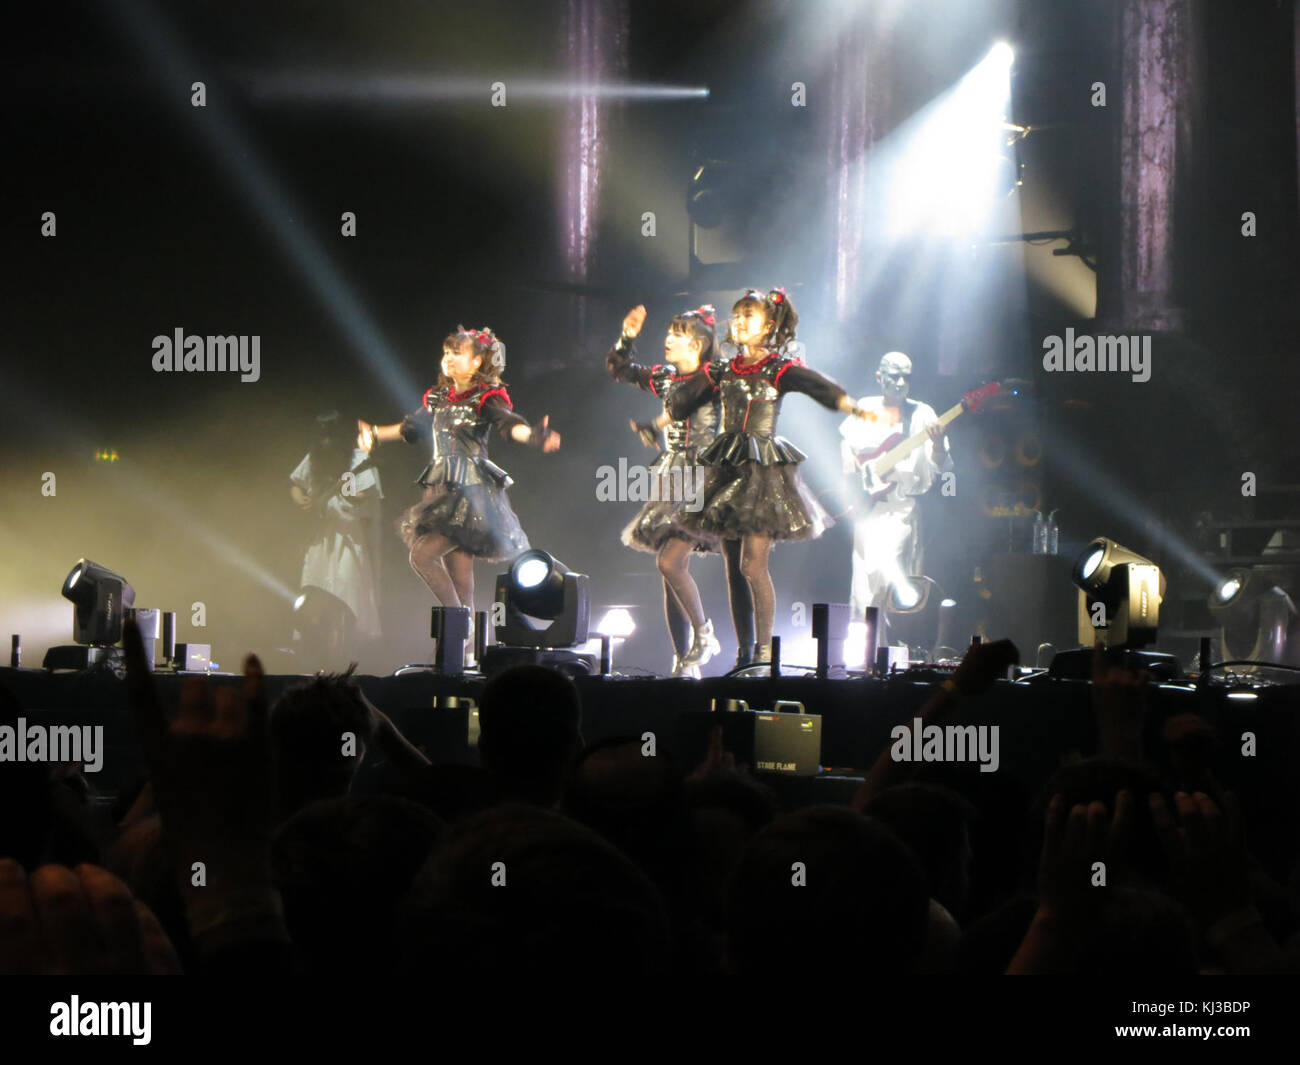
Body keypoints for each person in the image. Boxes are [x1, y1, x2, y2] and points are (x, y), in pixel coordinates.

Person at [668, 288, 875, 664]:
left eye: (750, 315)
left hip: (762, 470)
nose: (741, 321)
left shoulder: (778, 368)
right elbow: (686, 398)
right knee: (734, 567)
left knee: (752, 565)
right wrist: (670, 405)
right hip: (726, 466)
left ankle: (764, 653)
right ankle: (745, 654)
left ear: (769, 326)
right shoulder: (724, 369)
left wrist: (854, 407)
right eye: (738, 314)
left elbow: (817, 386)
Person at [357, 327, 559, 656]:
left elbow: (509, 424)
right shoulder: (438, 399)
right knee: (462, 578)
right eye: (446, 353)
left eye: (457, 353)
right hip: (442, 491)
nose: (448, 359)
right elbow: (410, 427)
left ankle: (458, 625)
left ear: (477, 361)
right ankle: (465, 652)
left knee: (422, 555)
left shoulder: (486, 398)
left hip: (473, 492)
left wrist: (533, 435)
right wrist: (375, 434)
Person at [605, 303, 729, 677]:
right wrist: (626, 336)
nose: (667, 339)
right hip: (672, 471)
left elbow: (683, 402)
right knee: (668, 571)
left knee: (670, 562)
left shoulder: (713, 377)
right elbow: (620, 369)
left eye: (676, 334)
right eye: (668, 332)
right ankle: (684, 658)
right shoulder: (665, 376)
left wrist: (653, 424)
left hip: (704, 474)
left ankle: (706, 635)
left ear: (698, 343)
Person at [839, 351, 951, 623]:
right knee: (863, 579)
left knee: (890, 572)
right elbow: (846, 443)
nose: (900, 383)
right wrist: (850, 465)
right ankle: (867, 641)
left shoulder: (922, 413)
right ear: (879, 377)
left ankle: (890, 638)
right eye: (894, 376)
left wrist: (937, 444)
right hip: (868, 508)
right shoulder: (865, 407)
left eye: (906, 377)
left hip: (901, 510)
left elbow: (943, 465)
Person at [289, 410, 383, 652]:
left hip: (347, 536)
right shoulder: (314, 457)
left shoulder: (358, 459)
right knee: (315, 586)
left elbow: (368, 496)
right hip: (320, 536)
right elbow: (296, 484)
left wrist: (352, 494)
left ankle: (343, 646)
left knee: (345, 588)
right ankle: (313, 644)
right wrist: (301, 499)